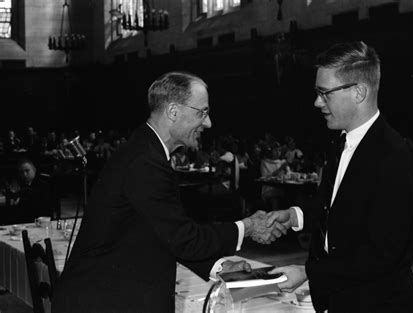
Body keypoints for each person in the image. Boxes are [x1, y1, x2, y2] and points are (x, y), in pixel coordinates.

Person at [52, 72, 287, 313]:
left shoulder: (145, 150)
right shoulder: (145, 161)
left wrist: (218, 266)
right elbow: (183, 238)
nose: (208, 123)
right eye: (202, 112)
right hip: (103, 301)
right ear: (173, 112)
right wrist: (247, 226)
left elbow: (160, 233)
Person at [266, 41, 413, 312]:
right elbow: (335, 206)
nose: (317, 102)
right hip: (341, 298)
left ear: (358, 92)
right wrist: (294, 216)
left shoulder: (393, 155)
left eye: (325, 93)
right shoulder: (341, 141)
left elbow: (381, 254)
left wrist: (309, 273)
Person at [4, 159, 54, 224]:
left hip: (40, 219)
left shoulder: (43, 185)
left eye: (27, 171)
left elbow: (46, 206)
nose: (24, 174)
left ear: (34, 170)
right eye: (21, 172)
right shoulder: (19, 184)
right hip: (22, 220)